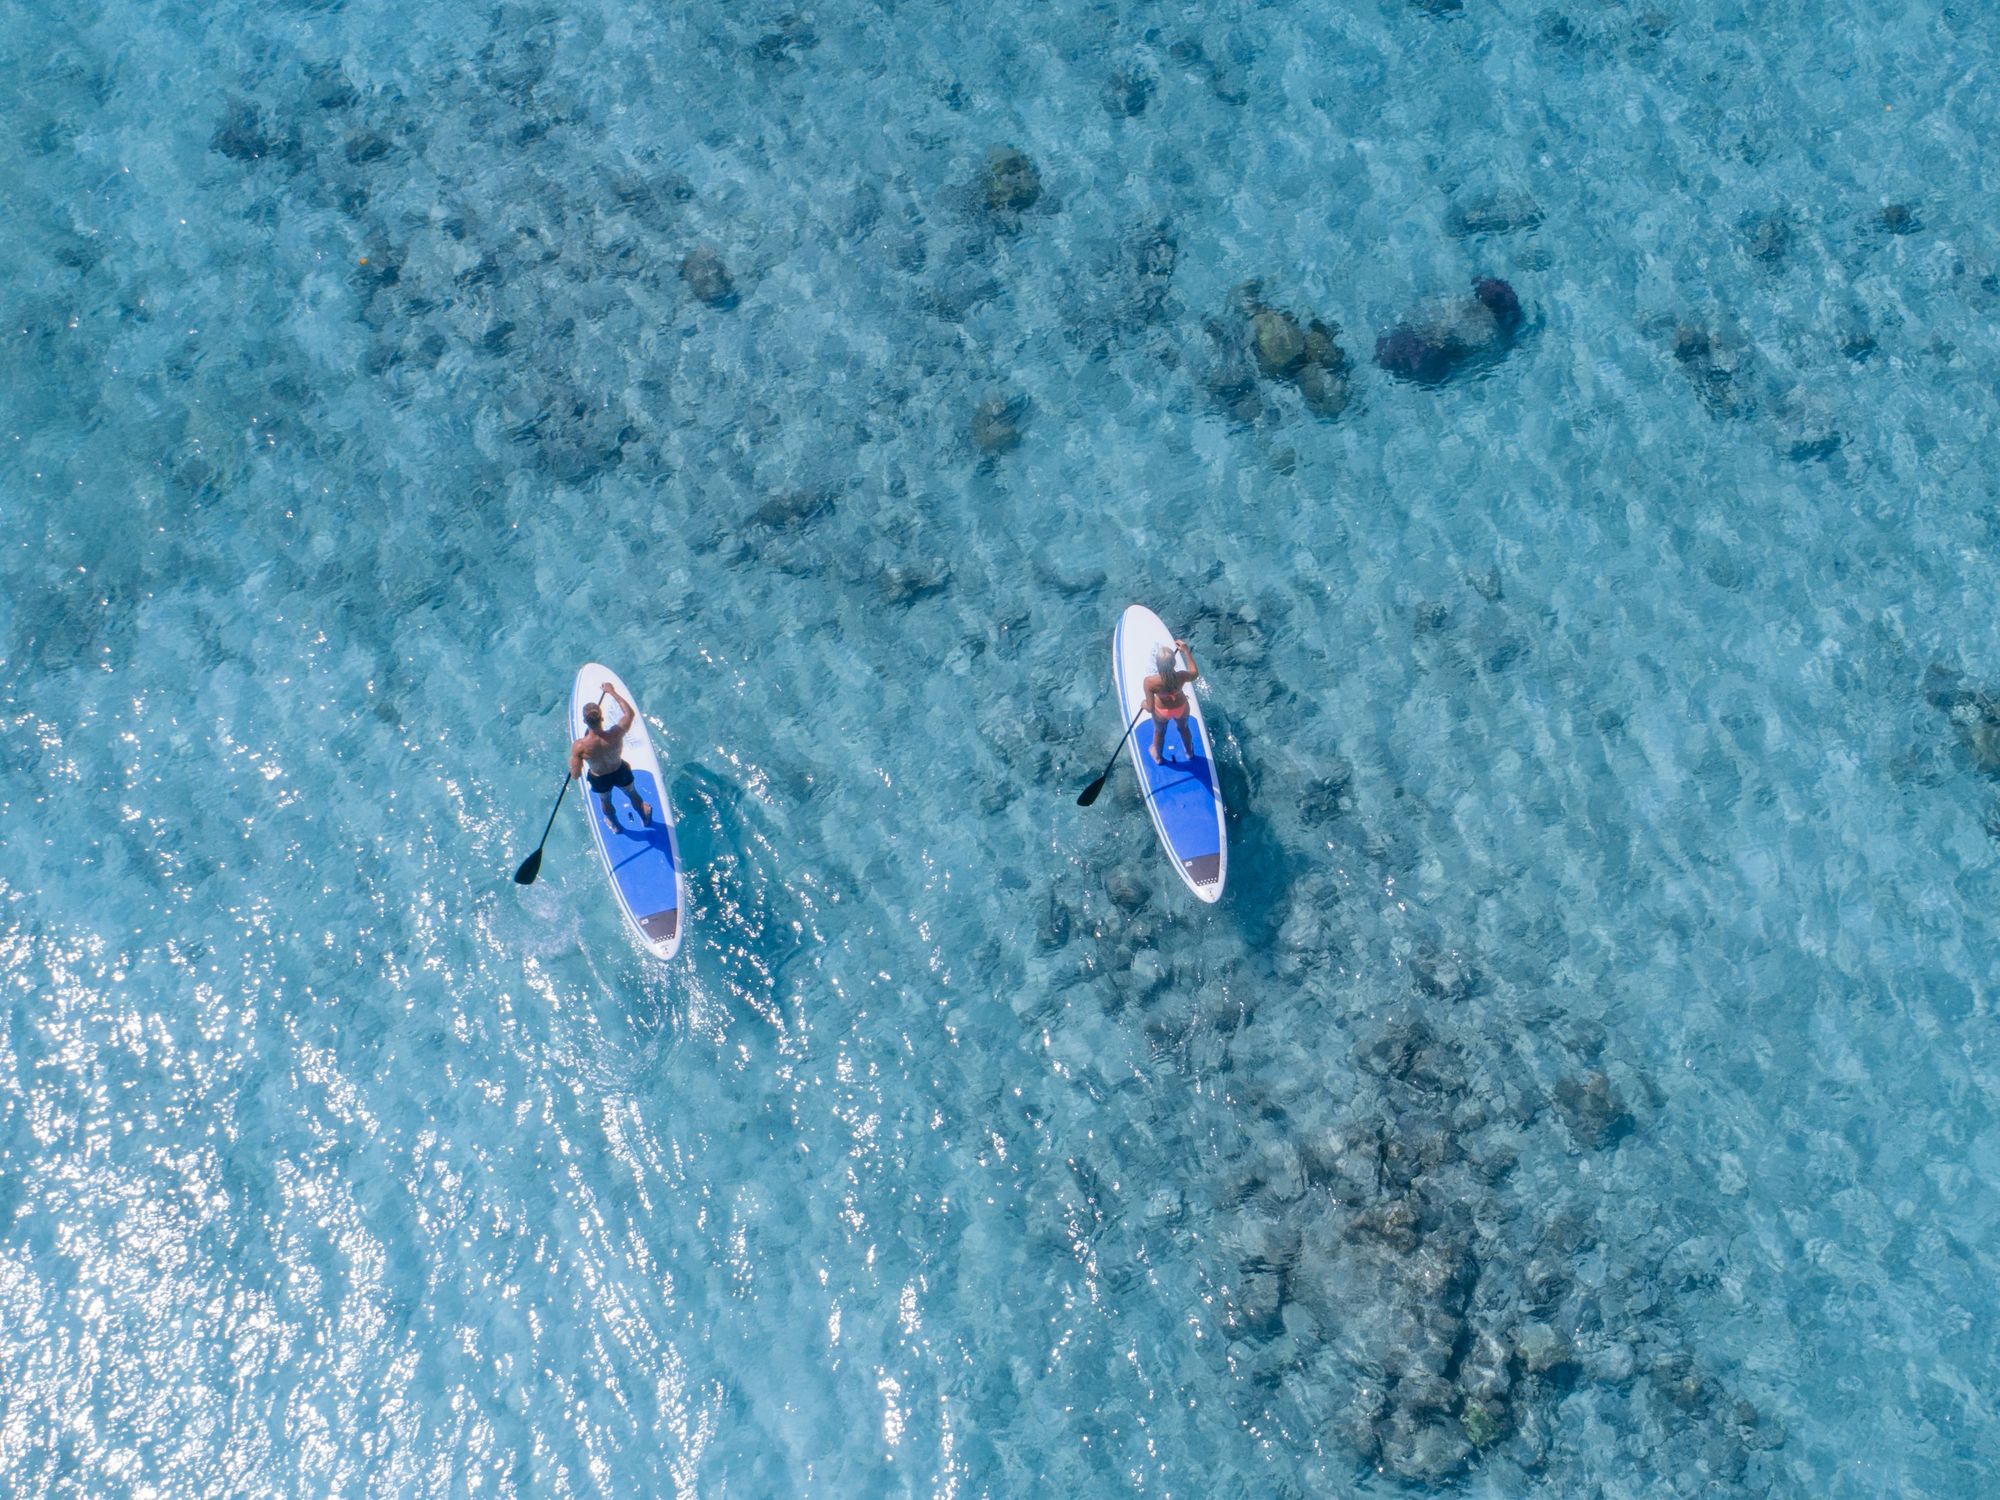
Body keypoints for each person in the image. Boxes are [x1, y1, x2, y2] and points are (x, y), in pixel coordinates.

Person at [569, 680, 652, 826]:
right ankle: (644, 817)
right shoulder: (616, 733)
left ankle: (615, 825)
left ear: (584, 721)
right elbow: (629, 714)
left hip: (600, 779)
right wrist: (611, 692)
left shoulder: (580, 746)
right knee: (632, 794)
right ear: (602, 718)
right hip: (620, 771)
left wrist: (575, 762)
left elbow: (575, 775)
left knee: (605, 801)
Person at [1143, 639, 1200, 764]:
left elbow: (1150, 708)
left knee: (1159, 733)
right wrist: (1186, 651)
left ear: (1157, 664)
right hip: (1181, 707)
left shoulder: (1150, 682)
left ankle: (1158, 757)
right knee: (1184, 728)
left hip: (1161, 712)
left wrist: (1144, 704)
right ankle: (1189, 753)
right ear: (1174, 663)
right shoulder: (1182, 676)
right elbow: (1195, 674)